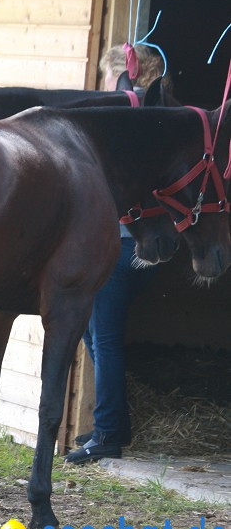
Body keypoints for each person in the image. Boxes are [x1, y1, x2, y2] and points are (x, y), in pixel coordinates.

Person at [65, 43, 168, 464]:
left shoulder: (129, 122)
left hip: (123, 244)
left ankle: (107, 434)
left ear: (126, 77)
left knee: (103, 339)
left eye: (109, 79)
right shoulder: (157, 119)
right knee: (95, 335)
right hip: (134, 247)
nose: (106, 87)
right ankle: (114, 423)